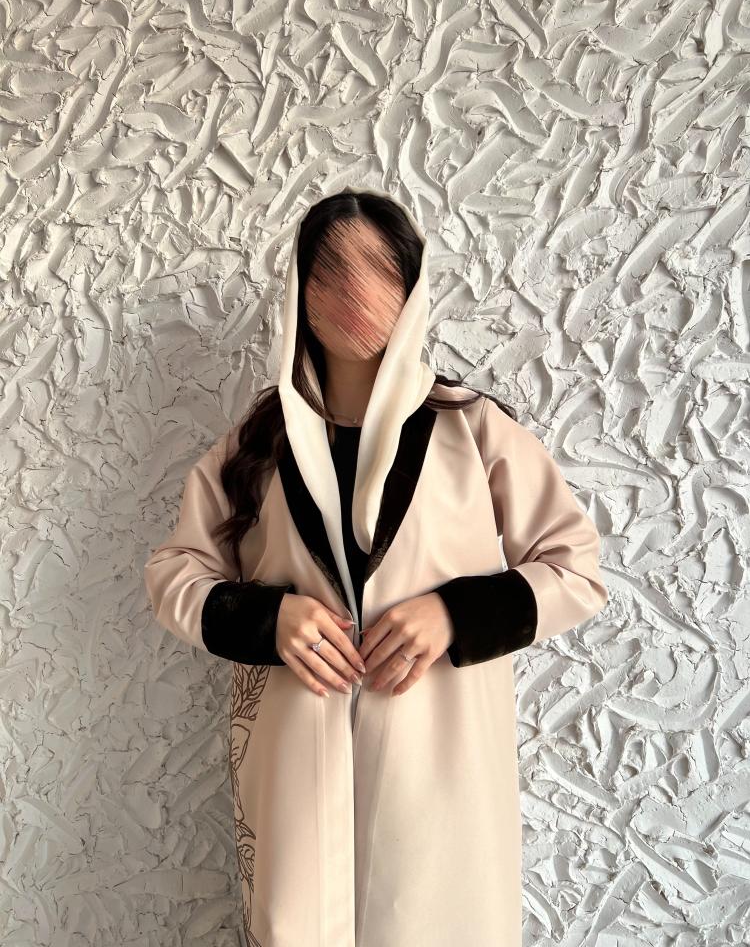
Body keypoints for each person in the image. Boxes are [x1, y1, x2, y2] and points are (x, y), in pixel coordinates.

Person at [143, 185, 609, 947]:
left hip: (440, 785)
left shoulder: (472, 431)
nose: (355, 294)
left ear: (413, 287)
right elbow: (175, 573)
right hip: (295, 784)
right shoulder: (258, 445)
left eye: (379, 270)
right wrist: (269, 620)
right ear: (300, 291)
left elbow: (575, 568)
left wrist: (455, 614)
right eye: (330, 271)